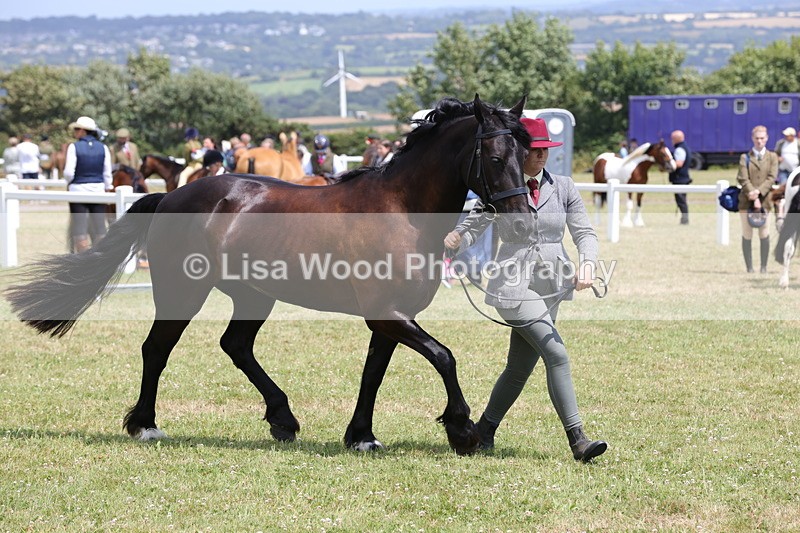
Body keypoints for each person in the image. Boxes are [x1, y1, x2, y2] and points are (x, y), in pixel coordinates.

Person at [443, 117, 606, 462]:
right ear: (519, 152)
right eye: (535, 150)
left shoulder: (564, 187)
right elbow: (472, 229)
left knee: (519, 368)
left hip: (552, 285)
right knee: (556, 354)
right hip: (512, 286)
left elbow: (584, 233)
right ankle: (578, 439)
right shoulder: (500, 186)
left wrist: (588, 263)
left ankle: (483, 432)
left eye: (546, 149)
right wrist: (457, 239)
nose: (542, 156)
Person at [63, 116, 112, 252]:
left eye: (76, 129)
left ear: (83, 130)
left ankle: (82, 257)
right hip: (98, 189)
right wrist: (107, 186)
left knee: (79, 226)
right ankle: (99, 256)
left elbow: (68, 172)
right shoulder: (103, 147)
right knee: (100, 226)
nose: (75, 132)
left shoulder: (74, 147)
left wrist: (70, 182)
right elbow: (107, 172)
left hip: (78, 189)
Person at [737, 125, 778, 274]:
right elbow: (742, 177)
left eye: (762, 138)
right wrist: (752, 194)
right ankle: (749, 267)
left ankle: (763, 267)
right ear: (752, 139)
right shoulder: (745, 157)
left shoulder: (772, 157)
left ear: (766, 138)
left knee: (764, 233)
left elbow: (771, 177)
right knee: (747, 233)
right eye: (757, 138)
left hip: (765, 201)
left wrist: (759, 193)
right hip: (746, 201)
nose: (759, 141)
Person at [668, 130, 692, 225]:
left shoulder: (679, 149)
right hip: (683, 177)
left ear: (676, 139)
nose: (671, 141)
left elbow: (679, 163)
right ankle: (684, 219)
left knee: (681, 200)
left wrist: (668, 166)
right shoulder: (685, 147)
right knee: (682, 199)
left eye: (672, 139)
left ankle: (685, 220)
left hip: (679, 178)